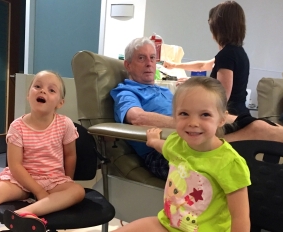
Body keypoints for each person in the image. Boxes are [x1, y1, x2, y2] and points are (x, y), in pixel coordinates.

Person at [111, 36, 283, 180]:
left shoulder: (163, 89)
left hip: (194, 139)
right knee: (257, 134)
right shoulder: (125, 91)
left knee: (262, 129)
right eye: (141, 58)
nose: (149, 63)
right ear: (128, 65)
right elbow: (137, 118)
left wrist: (220, 119)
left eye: (152, 58)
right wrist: (191, 123)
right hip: (165, 151)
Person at [112, 77, 251, 232]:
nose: (193, 122)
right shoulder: (176, 142)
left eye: (205, 114)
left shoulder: (229, 163)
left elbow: (241, 219)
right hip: (167, 224)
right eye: (184, 113)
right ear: (175, 116)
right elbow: (164, 146)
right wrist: (152, 141)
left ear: (222, 119)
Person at [0, 70, 85, 232]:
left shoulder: (65, 124)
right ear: (28, 94)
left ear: (60, 103)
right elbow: (15, 165)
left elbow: (70, 155)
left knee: (77, 192)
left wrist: (67, 181)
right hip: (20, 180)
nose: (42, 91)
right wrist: (38, 190)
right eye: (38, 86)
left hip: (53, 179)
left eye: (51, 90)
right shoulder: (17, 127)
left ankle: (24, 214)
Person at [164, 1, 249, 116]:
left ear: (219, 28)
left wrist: (194, 84)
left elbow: (221, 96)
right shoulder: (237, 52)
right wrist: (175, 65)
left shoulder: (227, 55)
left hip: (231, 117)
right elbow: (202, 66)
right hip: (240, 113)